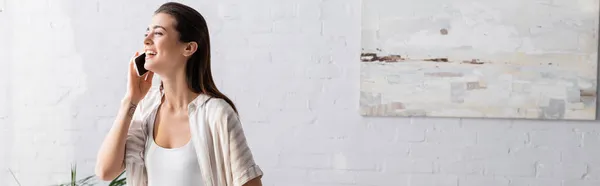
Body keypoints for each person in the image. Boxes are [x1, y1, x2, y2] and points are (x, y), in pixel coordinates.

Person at [94, 2, 263, 186]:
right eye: (147, 33)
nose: (147, 40)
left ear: (188, 48)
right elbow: (105, 171)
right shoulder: (146, 110)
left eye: (158, 33)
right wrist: (131, 99)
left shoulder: (217, 114)